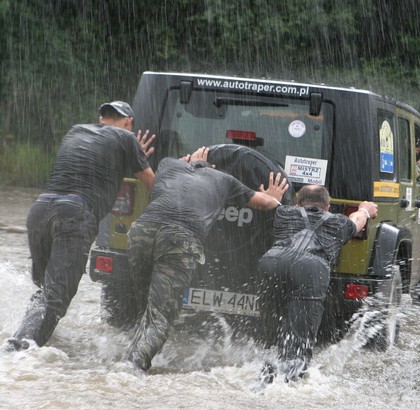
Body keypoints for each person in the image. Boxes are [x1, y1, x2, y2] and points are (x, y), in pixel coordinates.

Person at [4, 101, 155, 351]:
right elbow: (151, 183)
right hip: (74, 216)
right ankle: (17, 354)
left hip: (40, 210)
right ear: (129, 122)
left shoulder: (76, 131)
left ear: (100, 118)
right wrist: (138, 157)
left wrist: (130, 158)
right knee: (54, 299)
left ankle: (24, 340)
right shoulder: (127, 139)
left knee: (45, 291)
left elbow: (93, 167)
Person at [124, 147, 289, 372]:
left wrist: (190, 160)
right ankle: (131, 369)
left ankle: (136, 354)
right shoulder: (225, 179)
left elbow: (171, 169)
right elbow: (265, 203)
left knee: (147, 305)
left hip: (141, 231)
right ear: (213, 167)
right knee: (160, 315)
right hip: (179, 239)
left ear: (190, 161)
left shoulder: (167, 164)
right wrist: (275, 197)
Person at [257, 185, 378, 382]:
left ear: (298, 204)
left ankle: (262, 374)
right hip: (310, 268)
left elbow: (269, 203)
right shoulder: (337, 222)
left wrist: (270, 196)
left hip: (272, 263)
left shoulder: (284, 213)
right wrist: (364, 209)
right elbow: (356, 221)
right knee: (299, 339)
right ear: (328, 207)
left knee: (270, 329)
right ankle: (288, 383)